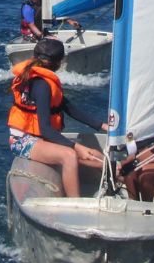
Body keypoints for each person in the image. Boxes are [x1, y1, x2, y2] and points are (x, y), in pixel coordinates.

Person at [8, 38, 107, 197]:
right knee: (69, 156)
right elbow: (46, 130)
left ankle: (115, 176)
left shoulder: (39, 79)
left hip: (39, 138)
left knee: (96, 155)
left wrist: (101, 125)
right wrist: (78, 148)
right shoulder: (42, 85)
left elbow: (67, 107)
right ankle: (76, 205)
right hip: (22, 141)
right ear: (59, 62)